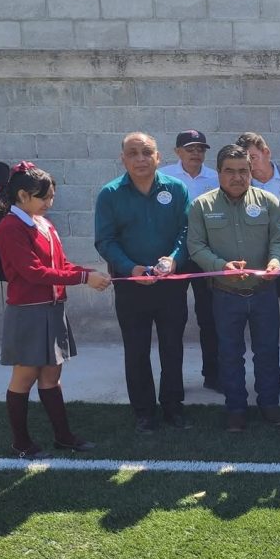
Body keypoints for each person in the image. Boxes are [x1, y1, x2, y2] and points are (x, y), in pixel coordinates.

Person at [0, 162, 111, 459]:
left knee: (51, 376)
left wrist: (88, 272)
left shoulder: (43, 224)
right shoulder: (10, 227)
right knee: (24, 378)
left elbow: (60, 266)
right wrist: (84, 278)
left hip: (53, 308)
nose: (49, 203)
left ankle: (63, 437)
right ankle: (21, 443)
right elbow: (34, 272)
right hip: (29, 312)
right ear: (22, 195)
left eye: (51, 198)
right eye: (43, 198)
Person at [95, 132, 193, 434]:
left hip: (170, 286)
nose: (140, 159)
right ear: (123, 158)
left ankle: (173, 408)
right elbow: (105, 240)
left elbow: (186, 232)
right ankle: (144, 412)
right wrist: (129, 268)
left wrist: (173, 259)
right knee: (136, 350)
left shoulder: (177, 190)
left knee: (172, 348)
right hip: (130, 287)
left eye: (146, 152)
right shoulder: (109, 194)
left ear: (158, 157)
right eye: (133, 153)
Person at [187, 144, 280, 432]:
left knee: (267, 350)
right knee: (229, 353)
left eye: (243, 171)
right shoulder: (201, 206)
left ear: (251, 171)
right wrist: (220, 265)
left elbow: (279, 240)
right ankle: (236, 407)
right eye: (230, 171)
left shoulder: (269, 202)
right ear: (218, 173)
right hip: (224, 294)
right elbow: (196, 245)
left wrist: (274, 261)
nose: (237, 177)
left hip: (264, 293)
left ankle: (269, 403)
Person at [159, 130, 221, 391]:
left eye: (200, 149)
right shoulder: (164, 177)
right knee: (173, 318)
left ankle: (214, 375)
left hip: (206, 254)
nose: (196, 153)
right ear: (177, 152)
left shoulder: (216, 178)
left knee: (210, 317)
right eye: (190, 148)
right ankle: (173, 381)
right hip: (175, 255)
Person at [236, 132, 280, 358]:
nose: (250, 164)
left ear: (266, 152)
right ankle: (272, 378)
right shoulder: (239, 185)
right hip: (259, 262)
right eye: (245, 160)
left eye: (253, 157)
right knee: (265, 324)